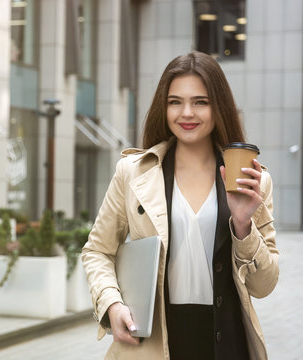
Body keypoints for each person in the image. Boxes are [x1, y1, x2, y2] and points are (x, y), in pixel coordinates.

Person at [81, 51, 279, 360]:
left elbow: (263, 285)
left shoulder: (253, 181)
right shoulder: (133, 173)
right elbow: (98, 251)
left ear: (219, 107)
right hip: (151, 343)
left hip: (226, 344)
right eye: (175, 102)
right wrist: (112, 304)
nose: (186, 112)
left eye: (200, 101)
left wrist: (243, 225)